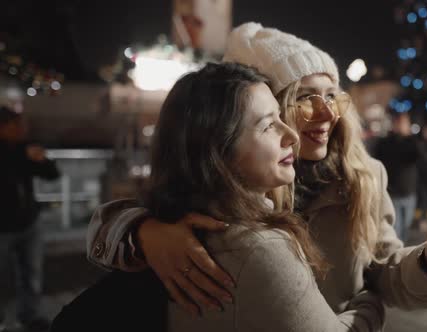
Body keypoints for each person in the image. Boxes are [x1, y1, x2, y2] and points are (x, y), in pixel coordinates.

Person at [84, 23, 427, 317]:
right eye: (304, 98)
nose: (325, 113)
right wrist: (145, 231)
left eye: (332, 95)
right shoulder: (232, 183)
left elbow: (383, 271)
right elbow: (115, 219)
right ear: (262, 107)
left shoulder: (363, 175)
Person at [52, 62, 385, 332]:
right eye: (269, 125)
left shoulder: (191, 213)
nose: (291, 135)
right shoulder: (256, 244)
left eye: (333, 97)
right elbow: (105, 225)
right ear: (218, 150)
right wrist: (370, 299)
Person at [0, 106, 60, 331]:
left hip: (28, 222)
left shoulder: (23, 148)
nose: (21, 129)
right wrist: (23, 156)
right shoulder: (15, 153)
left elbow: (53, 174)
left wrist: (42, 160)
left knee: (32, 273)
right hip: (2, 226)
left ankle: (31, 316)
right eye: (15, 125)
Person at [374, 112, 420, 241]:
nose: (401, 126)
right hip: (392, 191)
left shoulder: (411, 142)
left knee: (406, 225)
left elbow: (417, 156)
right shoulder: (386, 142)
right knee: (396, 227)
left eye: (404, 123)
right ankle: (396, 256)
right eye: (399, 122)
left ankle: (401, 252)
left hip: (409, 191)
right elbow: (380, 160)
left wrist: (408, 137)